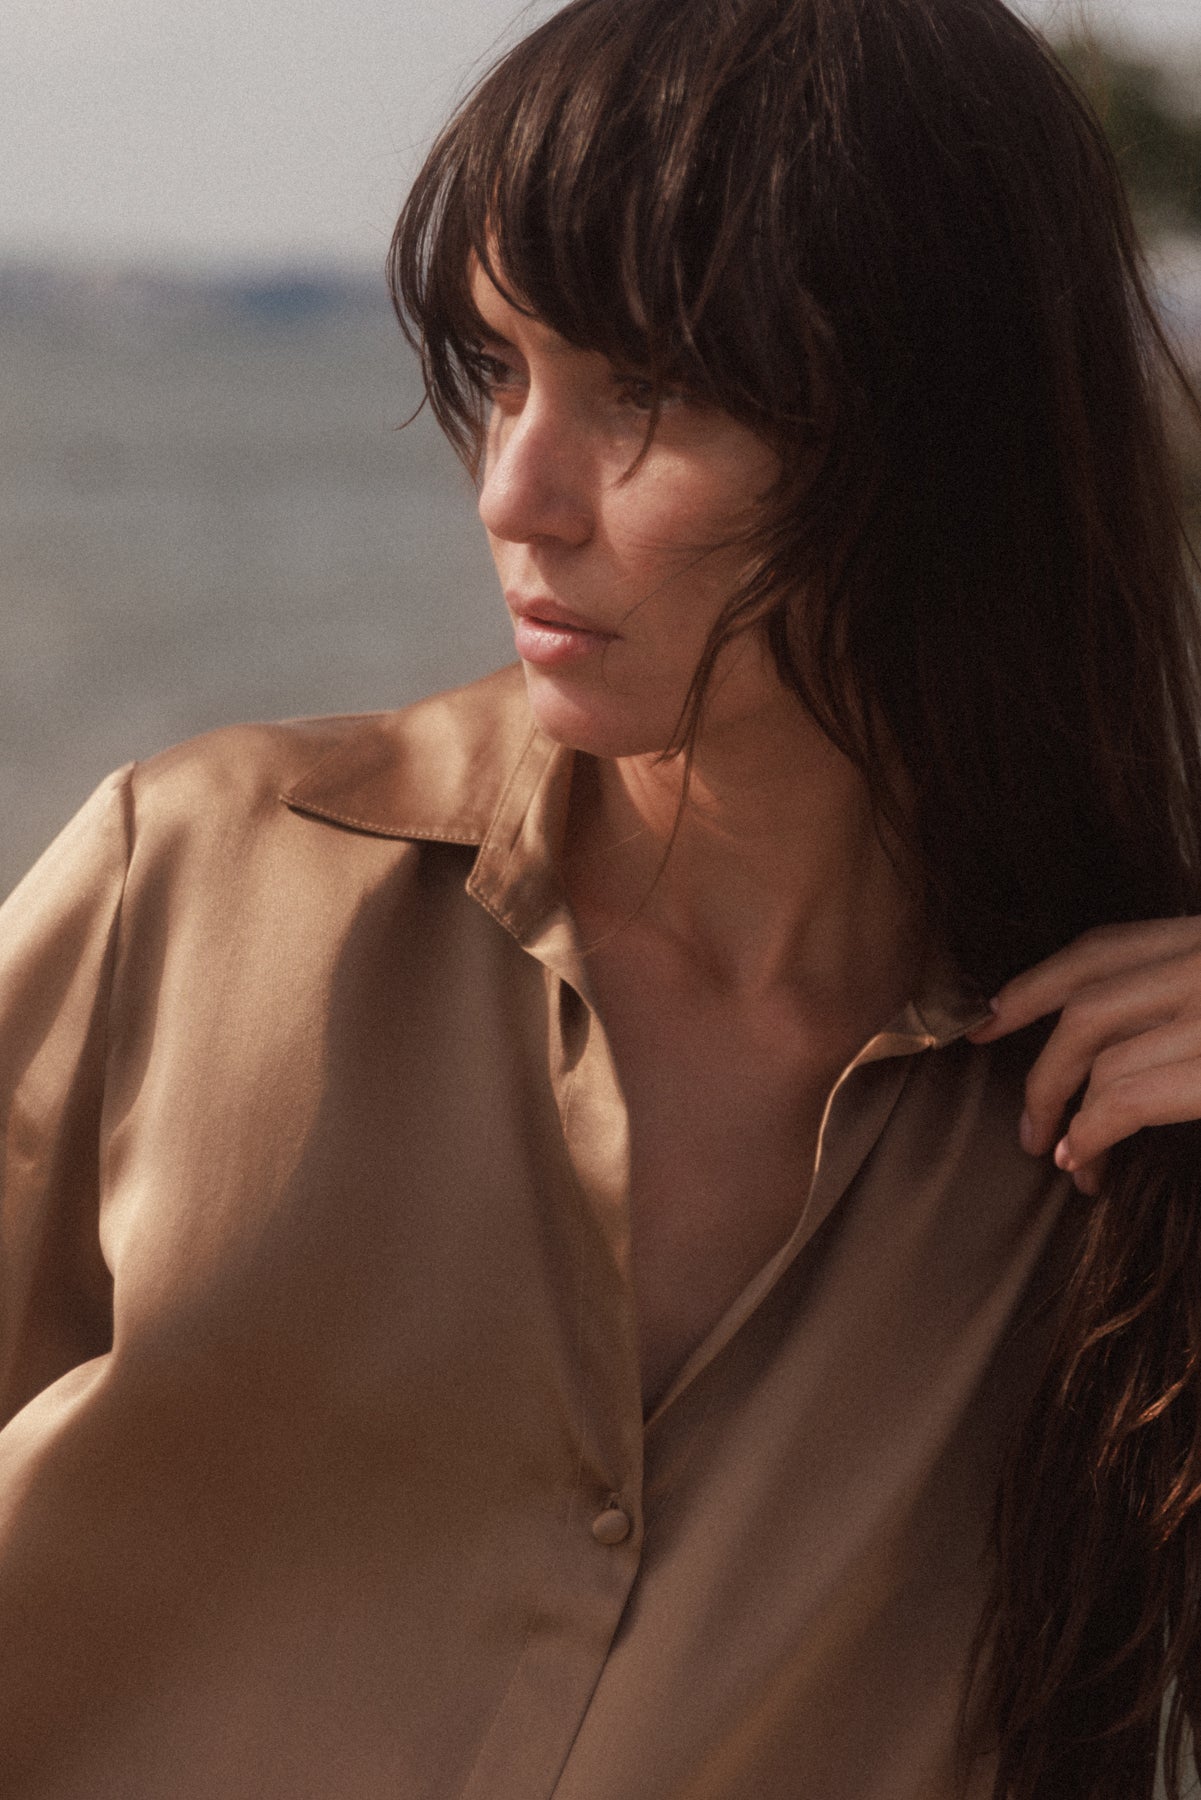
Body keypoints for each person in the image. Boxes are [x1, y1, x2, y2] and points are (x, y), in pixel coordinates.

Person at [2, 0, 1200, 1794]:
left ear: (942, 432)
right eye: (500, 371)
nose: (516, 492)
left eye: (647, 393)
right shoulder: (197, 884)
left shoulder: (1123, 1125)